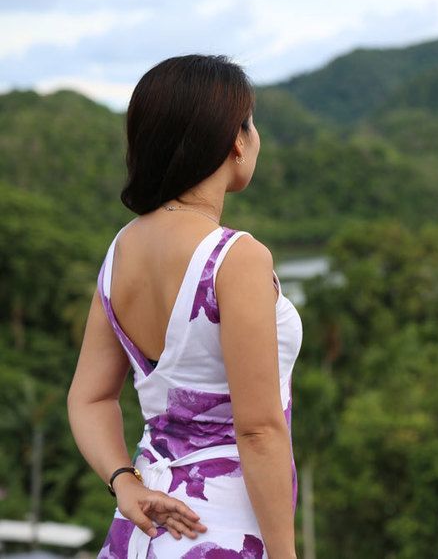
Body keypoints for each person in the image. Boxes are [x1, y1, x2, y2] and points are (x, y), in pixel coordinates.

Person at [67, 54, 302, 559]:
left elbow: (89, 398)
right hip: (222, 530)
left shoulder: (121, 250)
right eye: (251, 122)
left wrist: (124, 484)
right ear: (236, 139)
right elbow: (258, 430)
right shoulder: (235, 257)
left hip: (141, 531)